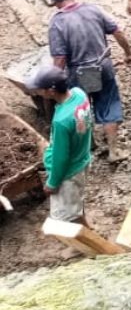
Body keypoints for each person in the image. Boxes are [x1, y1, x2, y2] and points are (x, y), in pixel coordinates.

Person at [47, 0, 131, 162]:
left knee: (80, 107)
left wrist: (54, 81)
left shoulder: (58, 22)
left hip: (80, 72)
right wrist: (128, 53)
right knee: (108, 104)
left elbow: (60, 58)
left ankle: (89, 146)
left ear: (55, 1)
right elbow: (117, 31)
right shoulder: (93, 9)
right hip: (103, 65)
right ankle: (114, 150)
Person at [26, 67, 93, 225]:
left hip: (68, 174)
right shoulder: (79, 94)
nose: (38, 92)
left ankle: (84, 245)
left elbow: (61, 157)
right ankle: (87, 229)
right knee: (75, 203)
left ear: (51, 91)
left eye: (40, 89)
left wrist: (52, 183)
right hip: (82, 159)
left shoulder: (61, 121)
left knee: (65, 217)